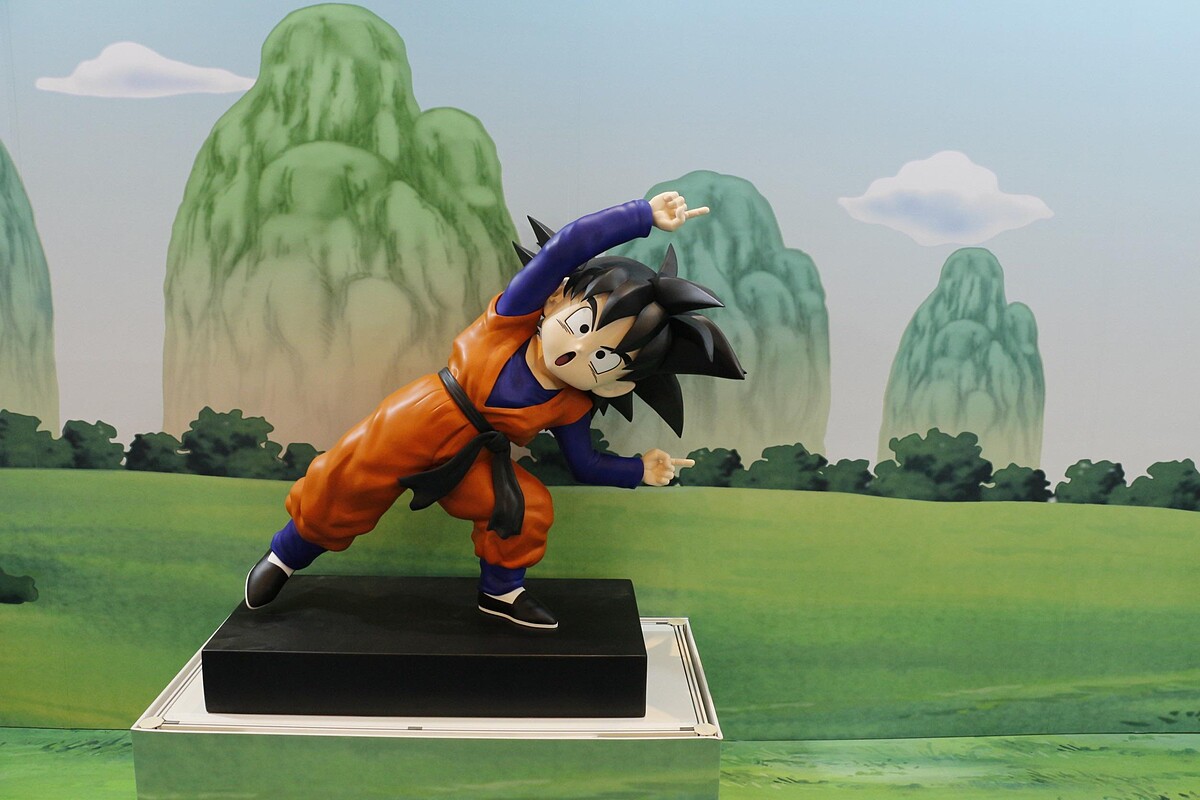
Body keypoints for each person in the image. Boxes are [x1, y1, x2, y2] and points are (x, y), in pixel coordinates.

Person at [244, 191, 744, 629]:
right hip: (416, 420)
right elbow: (568, 246)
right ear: (555, 299)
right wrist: (640, 215)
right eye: (582, 326)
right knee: (344, 483)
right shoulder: (509, 321)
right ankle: (286, 555)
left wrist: (640, 470)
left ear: (617, 383)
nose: (577, 351)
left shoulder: (571, 405)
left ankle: (500, 592)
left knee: (528, 506)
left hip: (474, 460)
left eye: (605, 358)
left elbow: (585, 464)